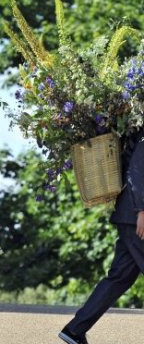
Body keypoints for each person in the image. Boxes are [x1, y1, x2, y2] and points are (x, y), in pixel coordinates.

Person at [59, 130, 144, 344]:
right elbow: (137, 171)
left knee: (119, 278)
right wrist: (142, 210)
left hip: (130, 216)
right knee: (118, 278)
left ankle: (74, 330)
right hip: (136, 216)